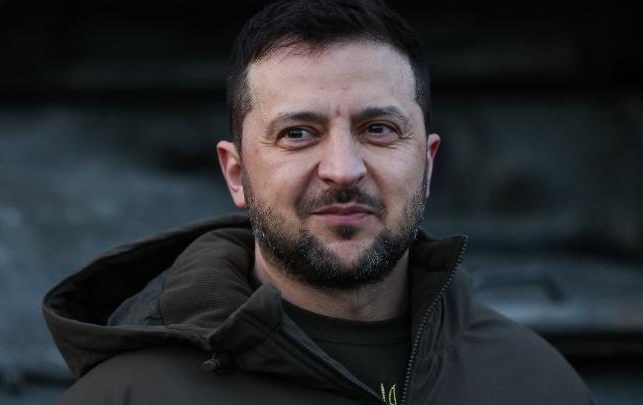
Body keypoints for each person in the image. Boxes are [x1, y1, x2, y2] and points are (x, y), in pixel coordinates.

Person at [43, 0, 596, 403]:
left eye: (378, 129)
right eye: (298, 134)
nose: (342, 170)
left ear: (427, 165)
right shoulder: (128, 398)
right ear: (236, 173)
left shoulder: (536, 384)